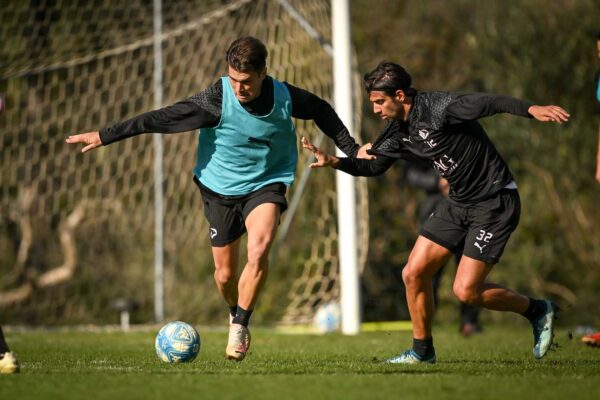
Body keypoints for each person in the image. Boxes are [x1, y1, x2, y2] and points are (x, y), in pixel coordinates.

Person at [66, 36, 363, 361]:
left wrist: (351, 149)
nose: (239, 88)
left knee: (260, 247)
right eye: (234, 79)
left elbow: (322, 110)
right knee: (224, 276)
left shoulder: (285, 97)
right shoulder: (216, 100)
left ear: (264, 72)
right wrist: (106, 135)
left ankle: (240, 325)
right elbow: (160, 118)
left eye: (247, 81)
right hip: (219, 191)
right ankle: (234, 308)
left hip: (268, 182)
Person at [302, 61, 570, 364]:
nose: (375, 110)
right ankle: (422, 351)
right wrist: (336, 161)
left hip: (494, 202)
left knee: (466, 292)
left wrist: (531, 109)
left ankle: (536, 310)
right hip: (458, 204)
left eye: (379, 102)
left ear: (400, 95)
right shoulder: (396, 132)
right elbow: (374, 166)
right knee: (413, 273)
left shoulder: (440, 108)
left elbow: (489, 102)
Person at [405, 164, 482, 336]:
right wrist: (437, 181)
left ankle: (469, 322)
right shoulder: (421, 146)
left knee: (467, 276)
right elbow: (411, 174)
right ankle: (425, 324)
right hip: (435, 217)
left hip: (467, 214)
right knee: (427, 274)